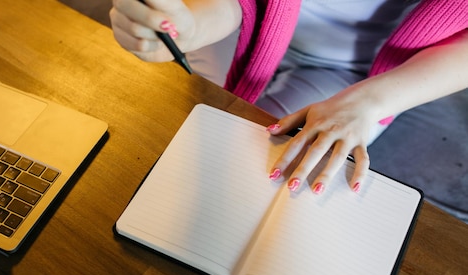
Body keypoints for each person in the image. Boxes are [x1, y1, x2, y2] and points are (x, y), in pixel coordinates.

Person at [110, 0, 468, 195]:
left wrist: (372, 101)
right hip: (246, 22)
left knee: (261, 182)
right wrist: (188, 27)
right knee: (162, 139)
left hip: (361, 74)